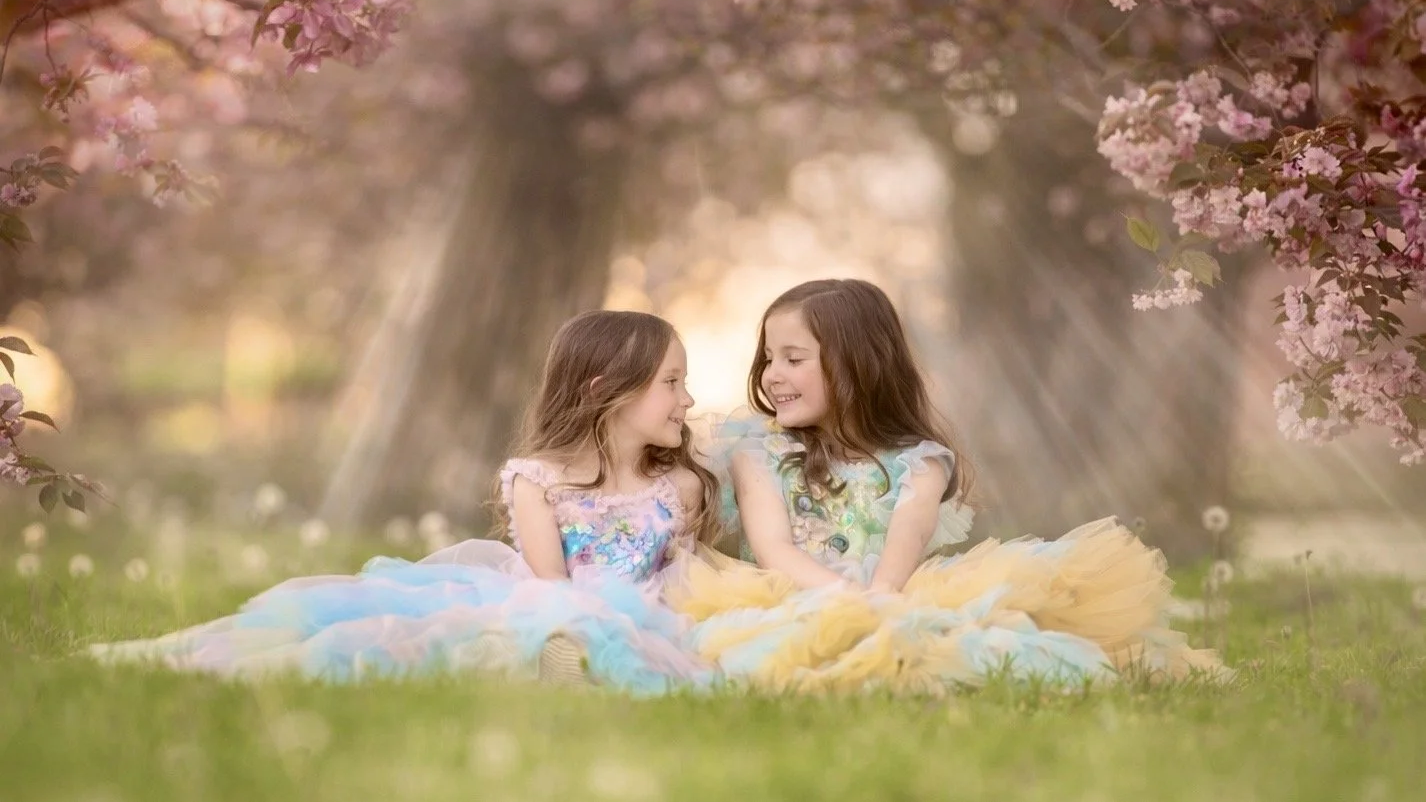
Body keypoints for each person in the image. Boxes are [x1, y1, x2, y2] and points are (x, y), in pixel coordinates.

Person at [91, 311, 723, 695]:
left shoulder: (680, 486)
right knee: (417, 637)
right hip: (549, 607)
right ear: (606, 390)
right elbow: (550, 582)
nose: (686, 400)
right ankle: (566, 661)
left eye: (684, 383)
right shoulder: (541, 480)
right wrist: (592, 625)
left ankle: (585, 664)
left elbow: (682, 581)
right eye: (671, 382)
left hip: (646, 617)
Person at [669, 279, 1228, 695]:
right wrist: (844, 603)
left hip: (889, 595)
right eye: (769, 358)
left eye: (794, 359)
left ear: (858, 366)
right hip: (788, 594)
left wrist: (877, 605)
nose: (772, 375)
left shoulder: (919, 463)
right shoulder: (757, 449)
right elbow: (774, 548)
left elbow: (899, 556)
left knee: (986, 640)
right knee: (755, 654)